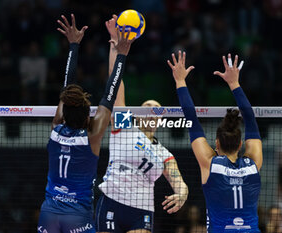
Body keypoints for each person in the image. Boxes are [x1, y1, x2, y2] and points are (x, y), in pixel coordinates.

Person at [37, 14, 135, 233]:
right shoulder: (92, 136)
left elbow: (66, 89)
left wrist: (73, 45)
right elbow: (110, 94)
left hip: (48, 215)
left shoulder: (55, 129)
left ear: (64, 112)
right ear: (86, 117)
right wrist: (122, 55)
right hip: (77, 217)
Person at [95, 15, 189, 233]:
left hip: (142, 210)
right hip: (112, 200)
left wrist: (182, 193)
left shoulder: (163, 152)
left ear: (159, 120)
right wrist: (115, 49)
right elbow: (115, 85)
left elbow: (178, 181)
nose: (150, 112)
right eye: (146, 107)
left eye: (155, 110)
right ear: (138, 114)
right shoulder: (125, 125)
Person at [168, 51, 263, 232]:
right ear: (241, 143)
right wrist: (234, 83)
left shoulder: (209, 164)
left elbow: (191, 119)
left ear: (216, 143)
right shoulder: (253, 164)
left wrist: (180, 81)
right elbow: (251, 119)